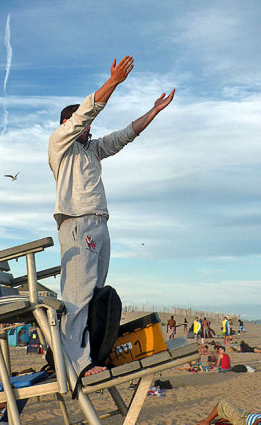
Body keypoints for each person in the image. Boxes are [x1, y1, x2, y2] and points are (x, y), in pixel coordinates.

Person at [48, 55, 175, 376]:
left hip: (99, 223)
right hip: (77, 222)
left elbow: (125, 135)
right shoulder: (61, 144)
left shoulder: (91, 149)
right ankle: (77, 363)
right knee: (77, 295)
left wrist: (154, 111)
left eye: (88, 126)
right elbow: (87, 112)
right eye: (81, 123)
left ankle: (90, 355)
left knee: (93, 295)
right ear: (68, 124)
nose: (87, 127)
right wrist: (114, 82)